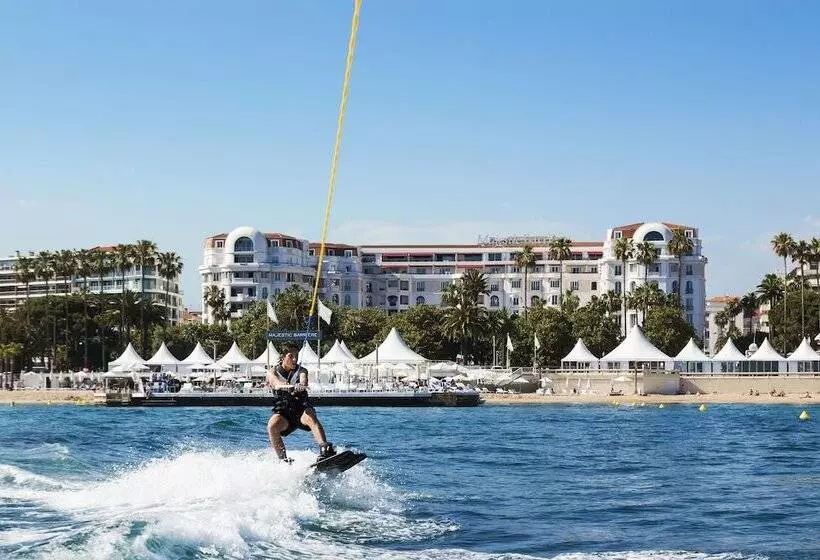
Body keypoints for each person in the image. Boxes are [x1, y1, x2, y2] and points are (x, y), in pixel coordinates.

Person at [266, 344, 335, 463]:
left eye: (296, 356)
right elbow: (275, 383)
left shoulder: (302, 370)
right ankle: (283, 460)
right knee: (272, 426)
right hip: (285, 414)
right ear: (282, 357)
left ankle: (325, 450)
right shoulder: (273, 371)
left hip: (301, 410)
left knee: (310, 415)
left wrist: (301, 385)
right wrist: (287, 386)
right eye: (291, 356)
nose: (295, 359)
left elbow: (304, 380)